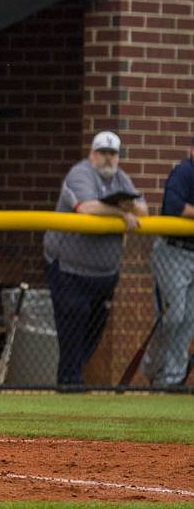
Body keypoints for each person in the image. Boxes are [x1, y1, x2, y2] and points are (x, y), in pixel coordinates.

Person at [44, 131, 147, 387]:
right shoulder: (80, 173)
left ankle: (73, 381)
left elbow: (143, 209)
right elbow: (86, 208)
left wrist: (128, 208)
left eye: (113, 154)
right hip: (69, 269)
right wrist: (121, 213)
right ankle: (69, 385)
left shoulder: (121, 179)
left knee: (92, 333)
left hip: (103, 275)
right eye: (102, 152)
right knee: (71, 331)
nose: (108, 158)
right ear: (92, 154)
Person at [146, 140, 194, 387]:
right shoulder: (184, 172)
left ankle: (172, 380)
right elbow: (173, 207)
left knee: (189, 319)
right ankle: (154, 369)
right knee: (172, 315)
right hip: (173, 251)